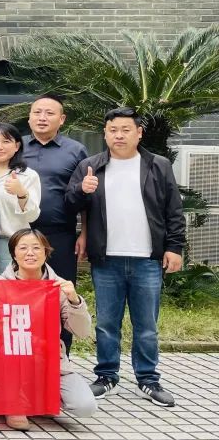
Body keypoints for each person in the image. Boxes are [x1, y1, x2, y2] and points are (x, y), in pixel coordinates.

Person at [66, 107, 185, 408]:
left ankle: (148, 379)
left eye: (125, 130)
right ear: (105, 133)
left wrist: (174, 247)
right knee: (107, 323)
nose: (118, 135)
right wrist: (82, 190)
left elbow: (173, 210)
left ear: (139, 133)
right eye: (113, 130)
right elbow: (69, 203)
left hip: (147, 259)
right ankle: (106, 376)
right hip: (107, 259)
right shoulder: (90, 166)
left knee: (147, 325)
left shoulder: (158, 165)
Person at [0, 228, 97, 425]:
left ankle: (40, 398)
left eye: (36, 248)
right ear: (13, 253)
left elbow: (82, 331)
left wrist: (74, 301)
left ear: (46, 252)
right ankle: (13, 402)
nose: (30, 253)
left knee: (85, 406)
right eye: (23, 248)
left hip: (50, 360)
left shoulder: (58, 286)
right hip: (11, 358)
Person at [23, 94, 89, 283]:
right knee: (21, 291)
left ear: (62, 119)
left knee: (61, 289)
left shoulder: (76, 150)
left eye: (49, 113)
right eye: (37, 112)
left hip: (60, 233)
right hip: (20, 232)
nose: (42, 118)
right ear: (29, 118)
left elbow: (86, 197)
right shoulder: (15, 147)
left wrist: (84, 233)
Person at [0, 122, 42, 273]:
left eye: (6, 141)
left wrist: (21, 193)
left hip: (11, 243)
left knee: (9, 287)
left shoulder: (27, 175)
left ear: (17, 146)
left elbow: (32, 216)